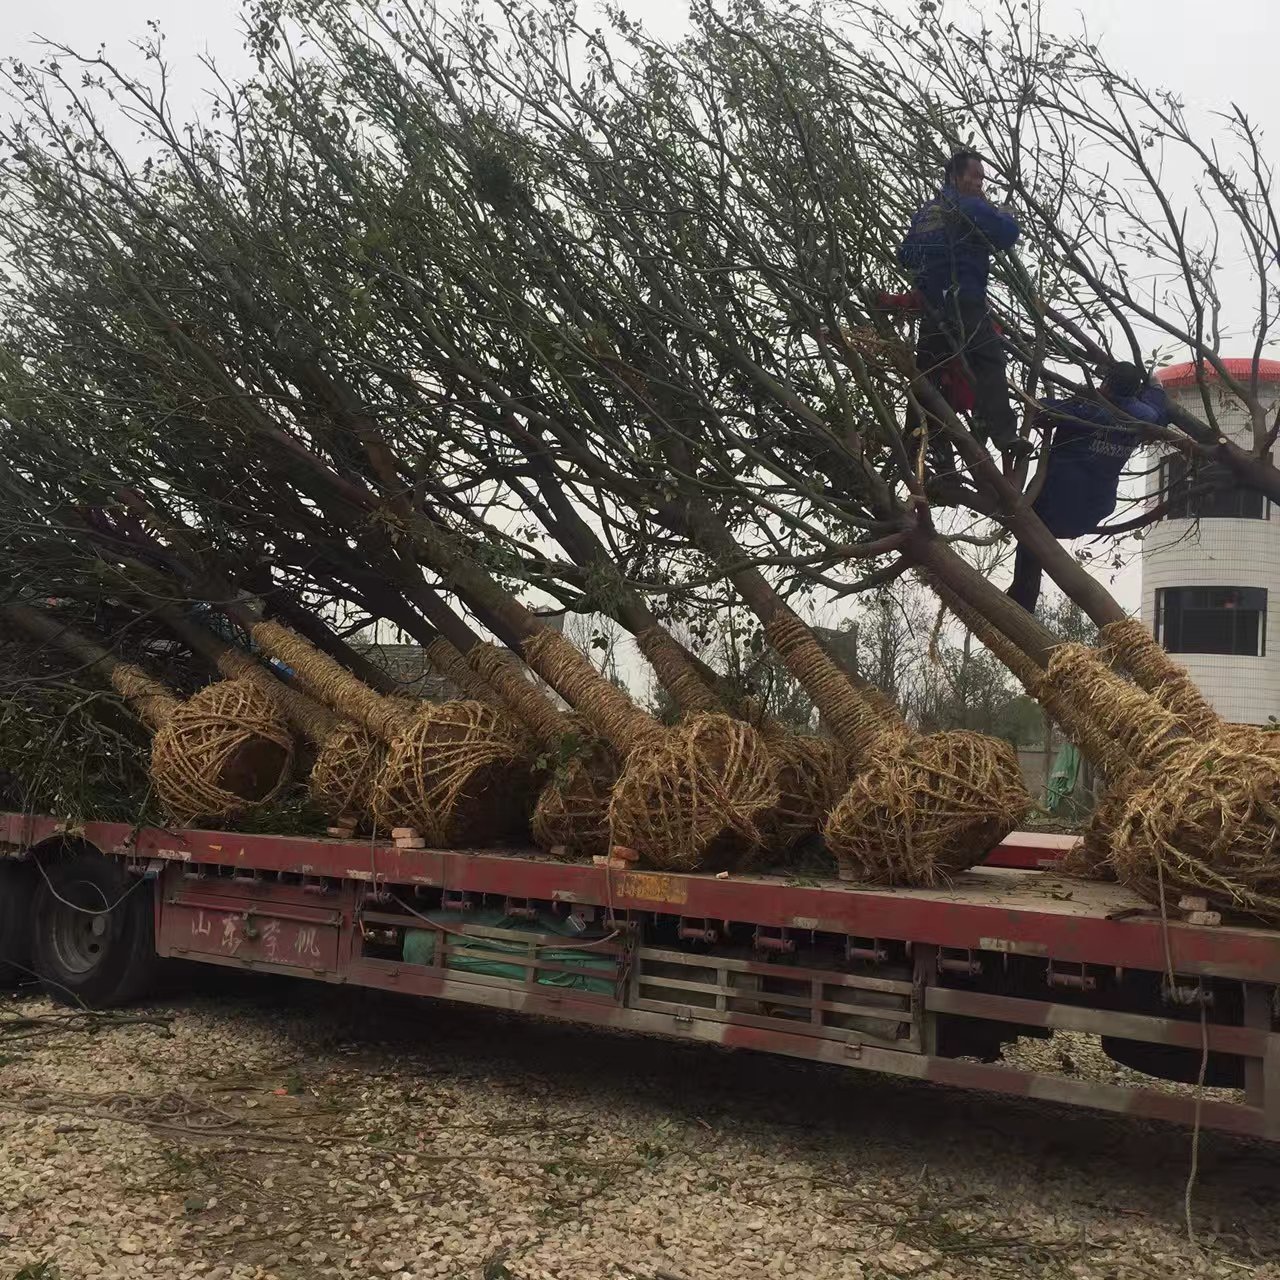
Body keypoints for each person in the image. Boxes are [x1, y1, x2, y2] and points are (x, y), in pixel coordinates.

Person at [1007, 363, 1172, 613]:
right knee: (1031, 543)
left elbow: (1038, 409)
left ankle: (1020, 604)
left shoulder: (1087, 410)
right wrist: (1154, 384)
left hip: (1052, 507)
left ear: (1105, 384)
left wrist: (1077, 398)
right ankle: (1020, 603)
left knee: (1027, 536)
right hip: (1093, 510)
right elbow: (1158, 406)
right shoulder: (1143, 418)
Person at [898, 151, 1028, 463]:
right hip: (963, 300)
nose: (980, 183)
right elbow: (1006, 235)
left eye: (983, 177)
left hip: (933, 306)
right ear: (956, 177)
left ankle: (915, 444)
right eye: (976, 176)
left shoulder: (928, 212)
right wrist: (1006, 214)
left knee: (929, 375)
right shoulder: (968, 205)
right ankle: (1005, 435)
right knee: (990, 361)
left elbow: (906, 255)